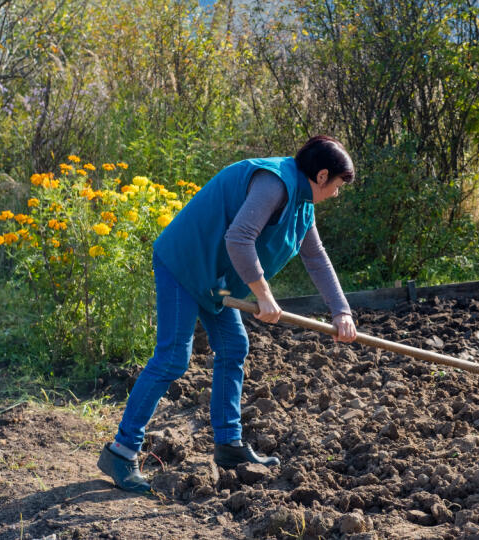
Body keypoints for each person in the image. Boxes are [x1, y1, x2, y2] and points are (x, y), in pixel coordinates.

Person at [97, 136, 358, 493]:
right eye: (338, 186)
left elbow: (316, 258)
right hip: (184, 263)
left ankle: (228, 445)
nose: (337, 195)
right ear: (322, 174)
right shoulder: (274, 183)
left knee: (234, 346)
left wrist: (341, 311)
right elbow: (239, 238)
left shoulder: (302, 204)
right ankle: (122, 451)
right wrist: (264, 296)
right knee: (174, 357)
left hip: (214, 280)